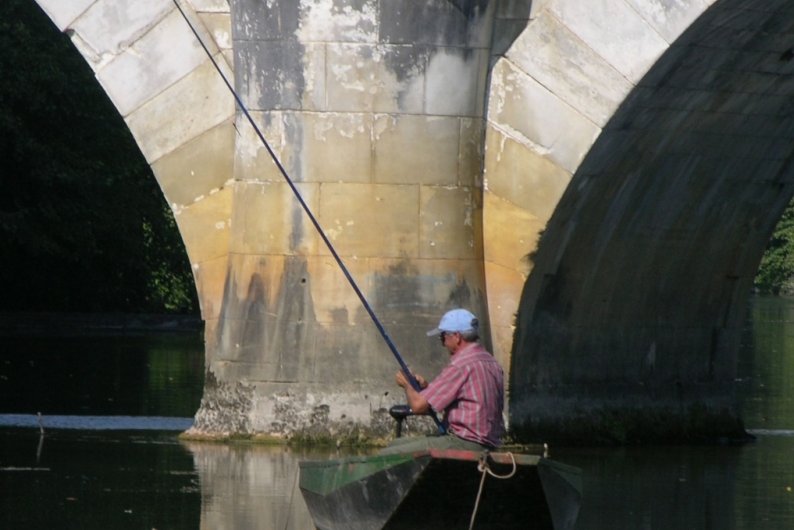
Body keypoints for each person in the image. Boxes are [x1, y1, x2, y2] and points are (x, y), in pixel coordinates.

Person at [380, 308, 505, 454]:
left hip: (466, 442)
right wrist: (426, 387)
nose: (443, 343)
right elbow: (464, 395)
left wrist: (407, 385)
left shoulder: (460, 365)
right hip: (489, 442)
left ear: (457, 336)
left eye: (443, 337)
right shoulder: (491, 362)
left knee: (389, 453)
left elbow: (418, 407)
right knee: (397, 443)